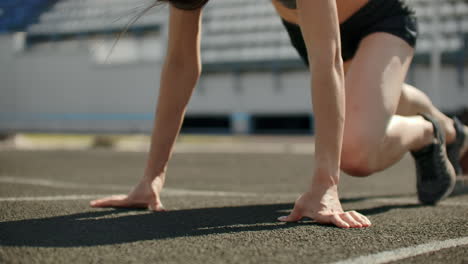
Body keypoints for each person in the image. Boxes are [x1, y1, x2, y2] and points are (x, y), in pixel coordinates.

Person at [90, 0, 468, 229]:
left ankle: (428, 132)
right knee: (368, 102)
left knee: (352, 153)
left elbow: (327, 61)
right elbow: (180, 63)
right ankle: (447, 127)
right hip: (309, 25)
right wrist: (151, 178)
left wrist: (326, 184)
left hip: (379, 21)